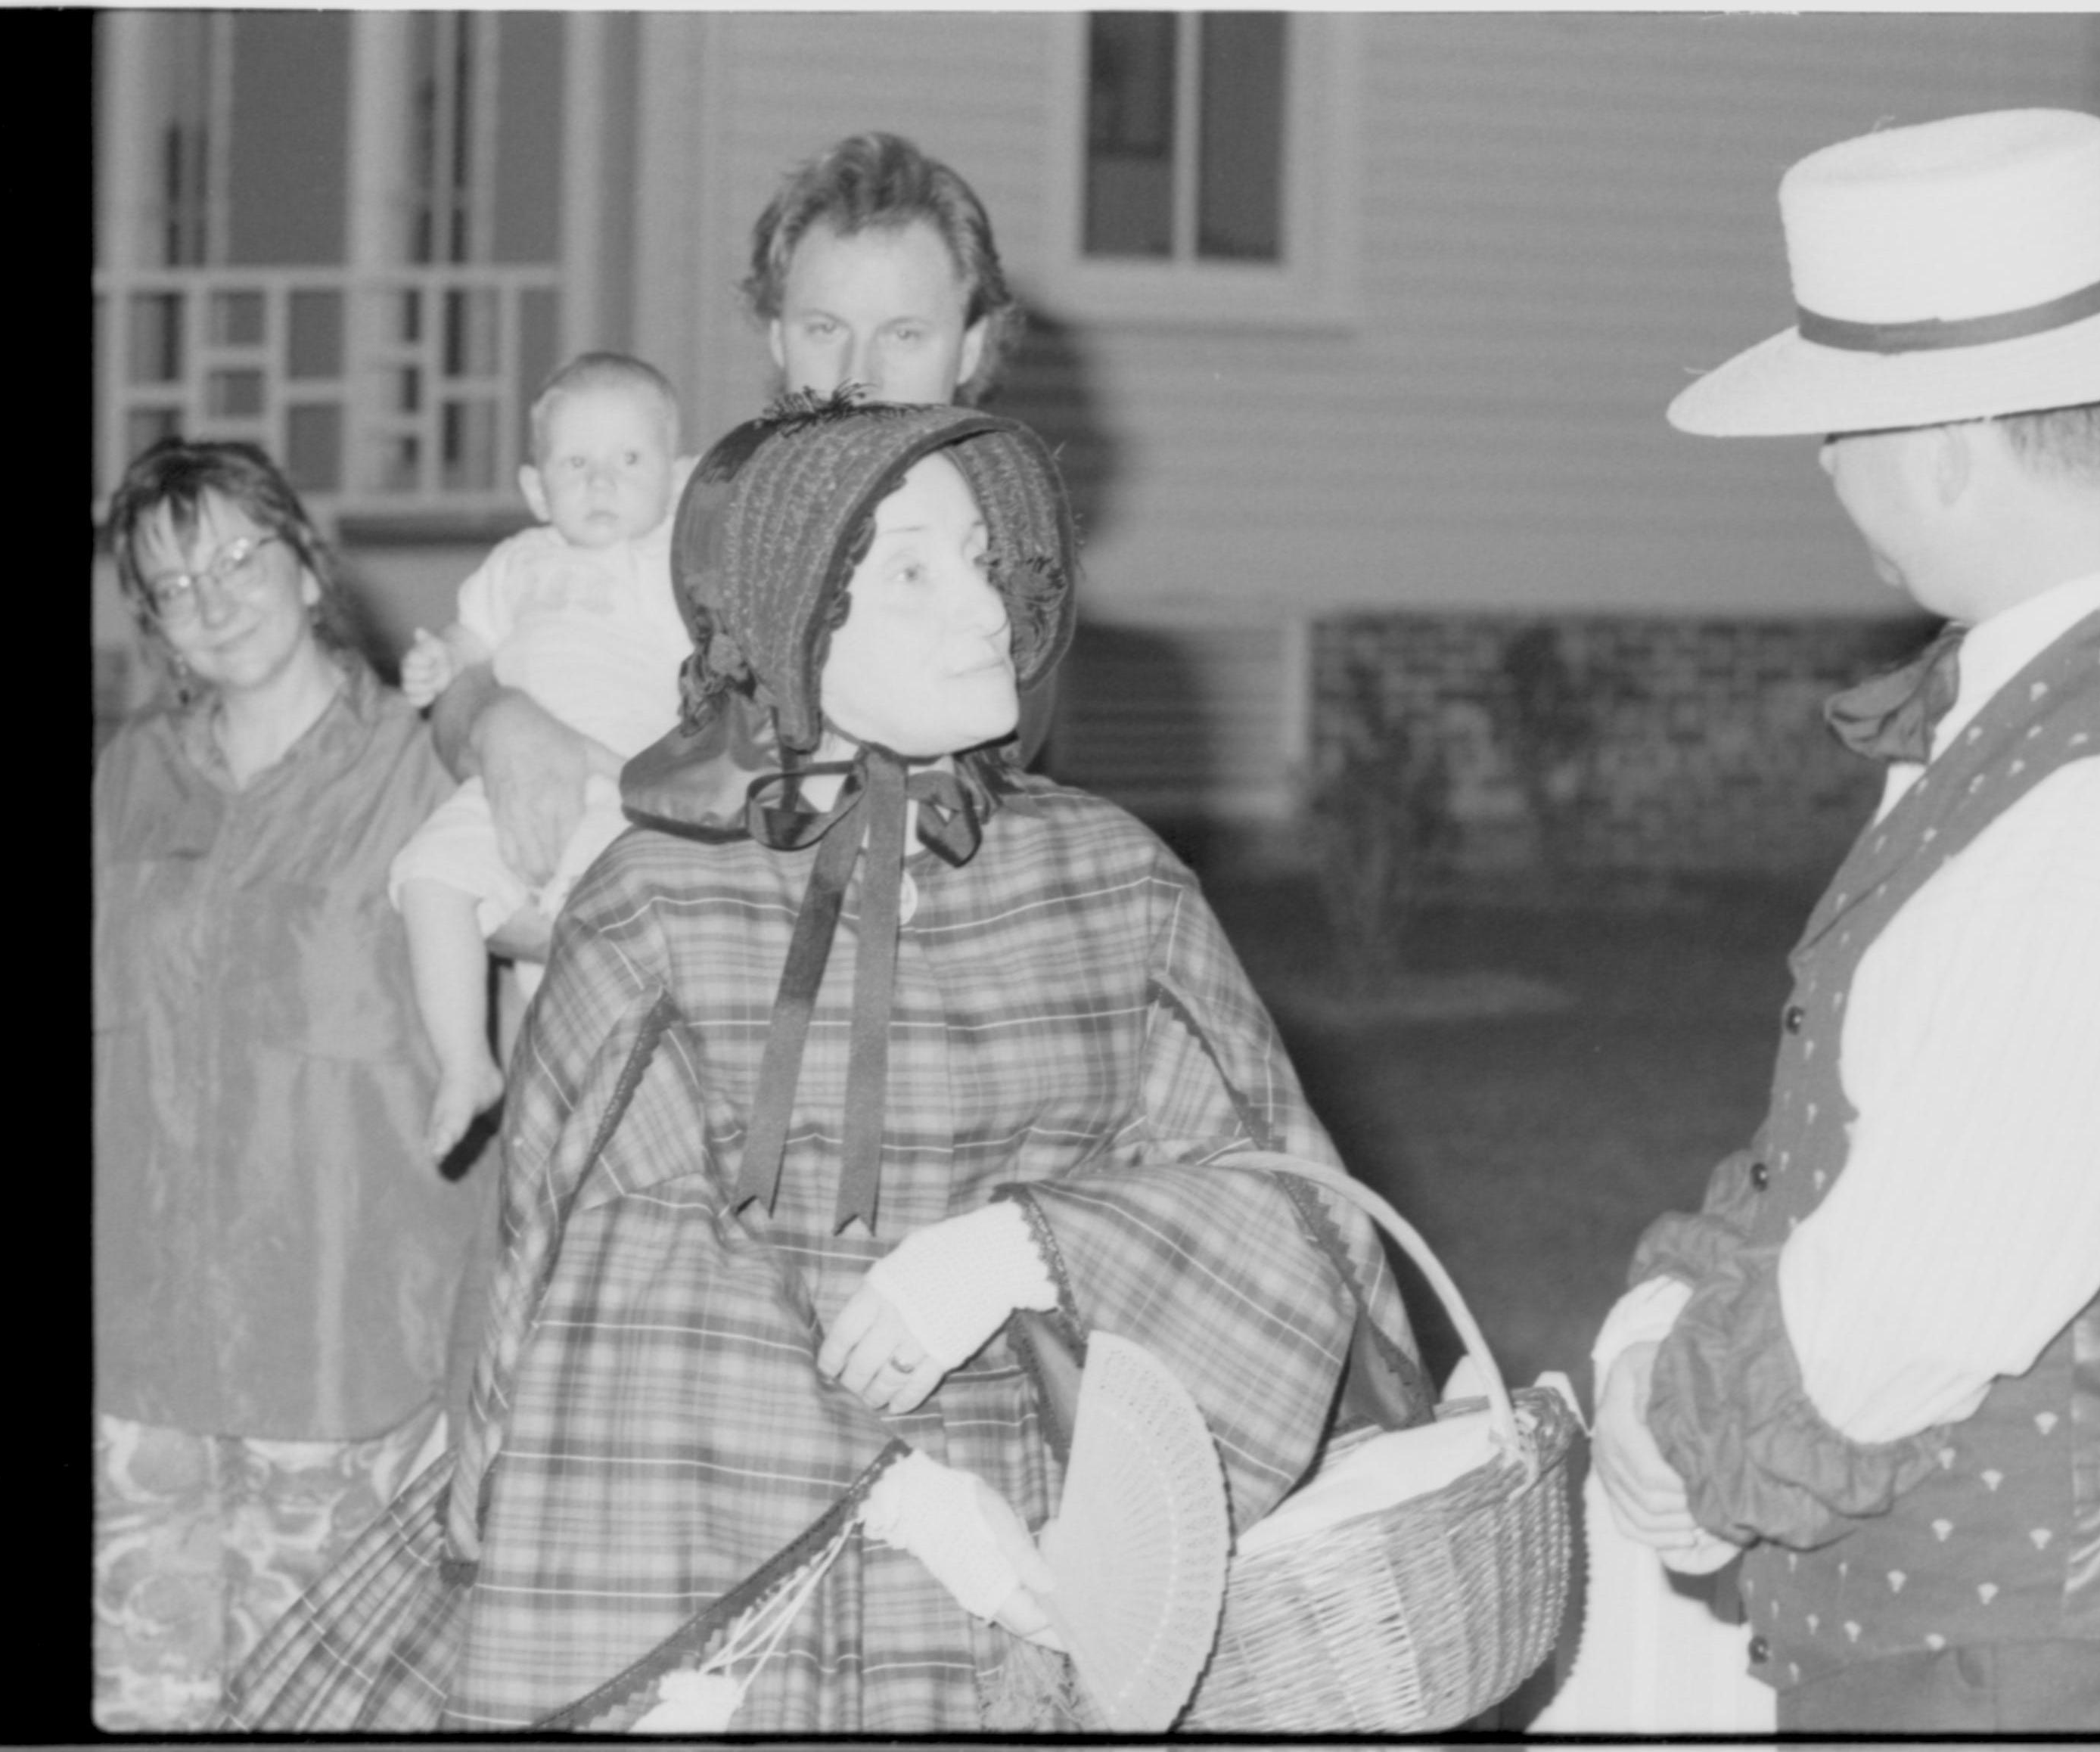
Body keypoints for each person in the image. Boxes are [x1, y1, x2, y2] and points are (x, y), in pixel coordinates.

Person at [225, 395, 1424, 1733]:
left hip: (1072, 1539)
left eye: (981, 562)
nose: (979, 611)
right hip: (727, 1533)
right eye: (910, 570)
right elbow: (603, 1264)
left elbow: (1296, 1210)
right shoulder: (656, 902)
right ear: (790, 623)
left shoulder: (1113, 878)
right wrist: (901, 1497)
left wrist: (1032, 1250)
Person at [1591, 108, 2100, 1732]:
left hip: (2042, 1676)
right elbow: (1863, 1130)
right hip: (1994, 1659)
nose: (1833, 471)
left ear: (1936, 447)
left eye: (1837, 431)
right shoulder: (2060, 714)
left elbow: (1925, 1296)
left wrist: (1686, 1434)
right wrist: (1677, 1303)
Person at [92, 440, 495, 1730]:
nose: (209, 594)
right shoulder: (127, 777)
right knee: (139, 1712)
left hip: (347, 1350)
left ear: (306, 562)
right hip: (141, 1353)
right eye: (168, 583)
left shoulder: (428, 762)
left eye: (233, 555)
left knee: (326, 1718)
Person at [430, 133, 1024, 958]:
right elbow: (483, 658)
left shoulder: (1013, 575)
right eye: (824, 328)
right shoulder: (706, 520)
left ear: (970, 346)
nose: (859, 373)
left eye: (904, 335)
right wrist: (496, 719)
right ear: (777, 336)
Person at [389, 352, 692, 1157]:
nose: (602, 482)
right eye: (576, 463)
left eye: (630, 460)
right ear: (535, 489)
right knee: (427, 875)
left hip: (622, 796)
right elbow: (470, 638)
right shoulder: (516, 562)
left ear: (674, 473)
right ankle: (464, 1061)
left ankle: (612, 1118)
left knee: (592, 957)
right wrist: (441, 662)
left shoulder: (673, 558)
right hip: (505, 791)